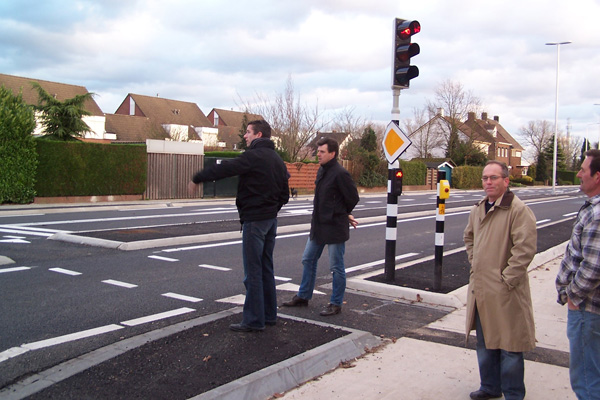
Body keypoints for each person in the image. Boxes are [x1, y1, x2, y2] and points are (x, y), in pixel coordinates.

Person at [188, 119, 289, 332]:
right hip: (270, 220)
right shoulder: (277, 160)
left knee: (252, 271)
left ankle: (253, 320)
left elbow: (226, 169)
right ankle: (269, 315)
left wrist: (198, 178)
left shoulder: (253, 157)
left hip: (254, 220)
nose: (245, 136)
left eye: (248, 132)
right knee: (266, 269)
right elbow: (284, 195)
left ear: (258, 135)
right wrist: (271, 210)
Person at [463, 160, 537, 400]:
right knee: (485, 344)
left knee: (510, 346)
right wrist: (475, 263)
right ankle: (490, 387)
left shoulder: (517, 210)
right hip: (482, 291)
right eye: (485, 178)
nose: (488, 182)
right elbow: (469, 238)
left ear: (506, 181)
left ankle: (514, 393)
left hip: (506, 292)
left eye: (493, 178)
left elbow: (524, 249)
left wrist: (507, 280)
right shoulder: (478, 209)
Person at [282, 137, 359, 316]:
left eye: (322, 152)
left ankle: (336, 303)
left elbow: (352, 197)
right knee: (308, 259)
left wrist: (341, 213)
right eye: (318, 151)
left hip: (334, 228)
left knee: (336, 266)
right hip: (318, 226)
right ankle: (303, 296)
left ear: (332, 154)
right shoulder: (322, 171)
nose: (318, 155)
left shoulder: (340, 173)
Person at [556, 149, 600, 400]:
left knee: (586, 379)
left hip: (588, 308)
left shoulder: (597, 213)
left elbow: (594, 266)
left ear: (597, 176)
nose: (578, 173)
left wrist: (573, 296)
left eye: (583, 170)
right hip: (589, 308)